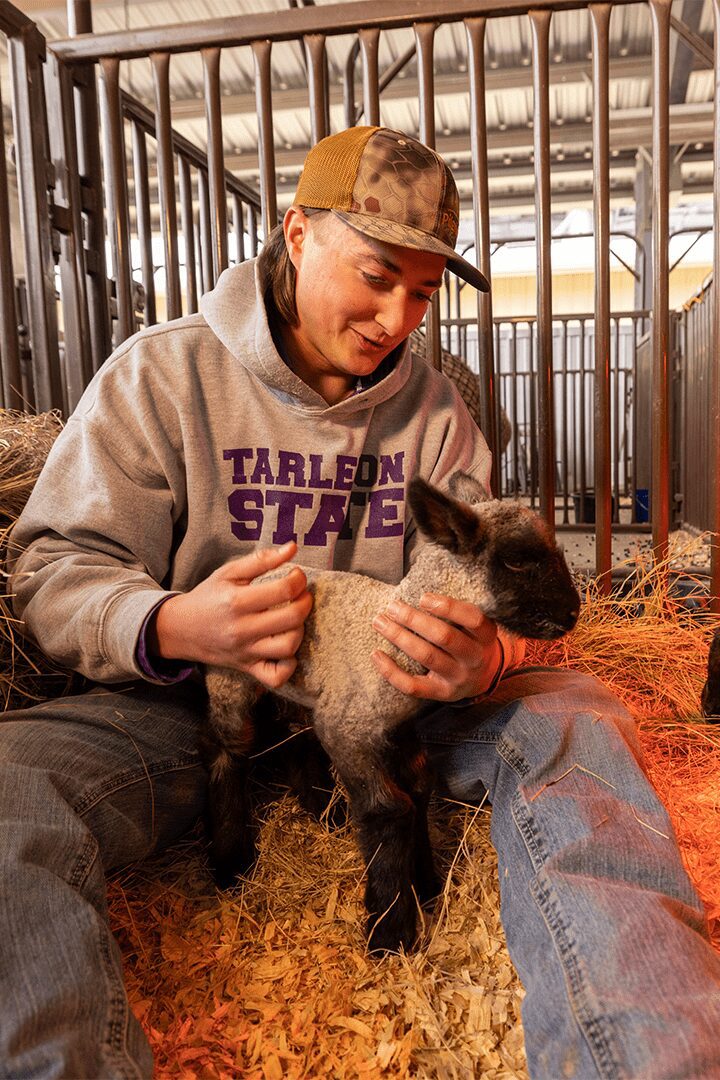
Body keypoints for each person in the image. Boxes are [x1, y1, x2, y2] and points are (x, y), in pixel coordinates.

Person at [1, 125, 719, 1080]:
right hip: (186, 707)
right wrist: (172, 622)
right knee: (7, 787)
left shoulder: (438, 414)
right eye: (378, 275)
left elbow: (493, 593)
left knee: (579, 720)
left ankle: (651, 1057)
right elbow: (52, 565)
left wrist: (486, 661)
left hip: (393, 702)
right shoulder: (159, 376)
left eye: (422, 293)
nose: (397, 317)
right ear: (297, 233)